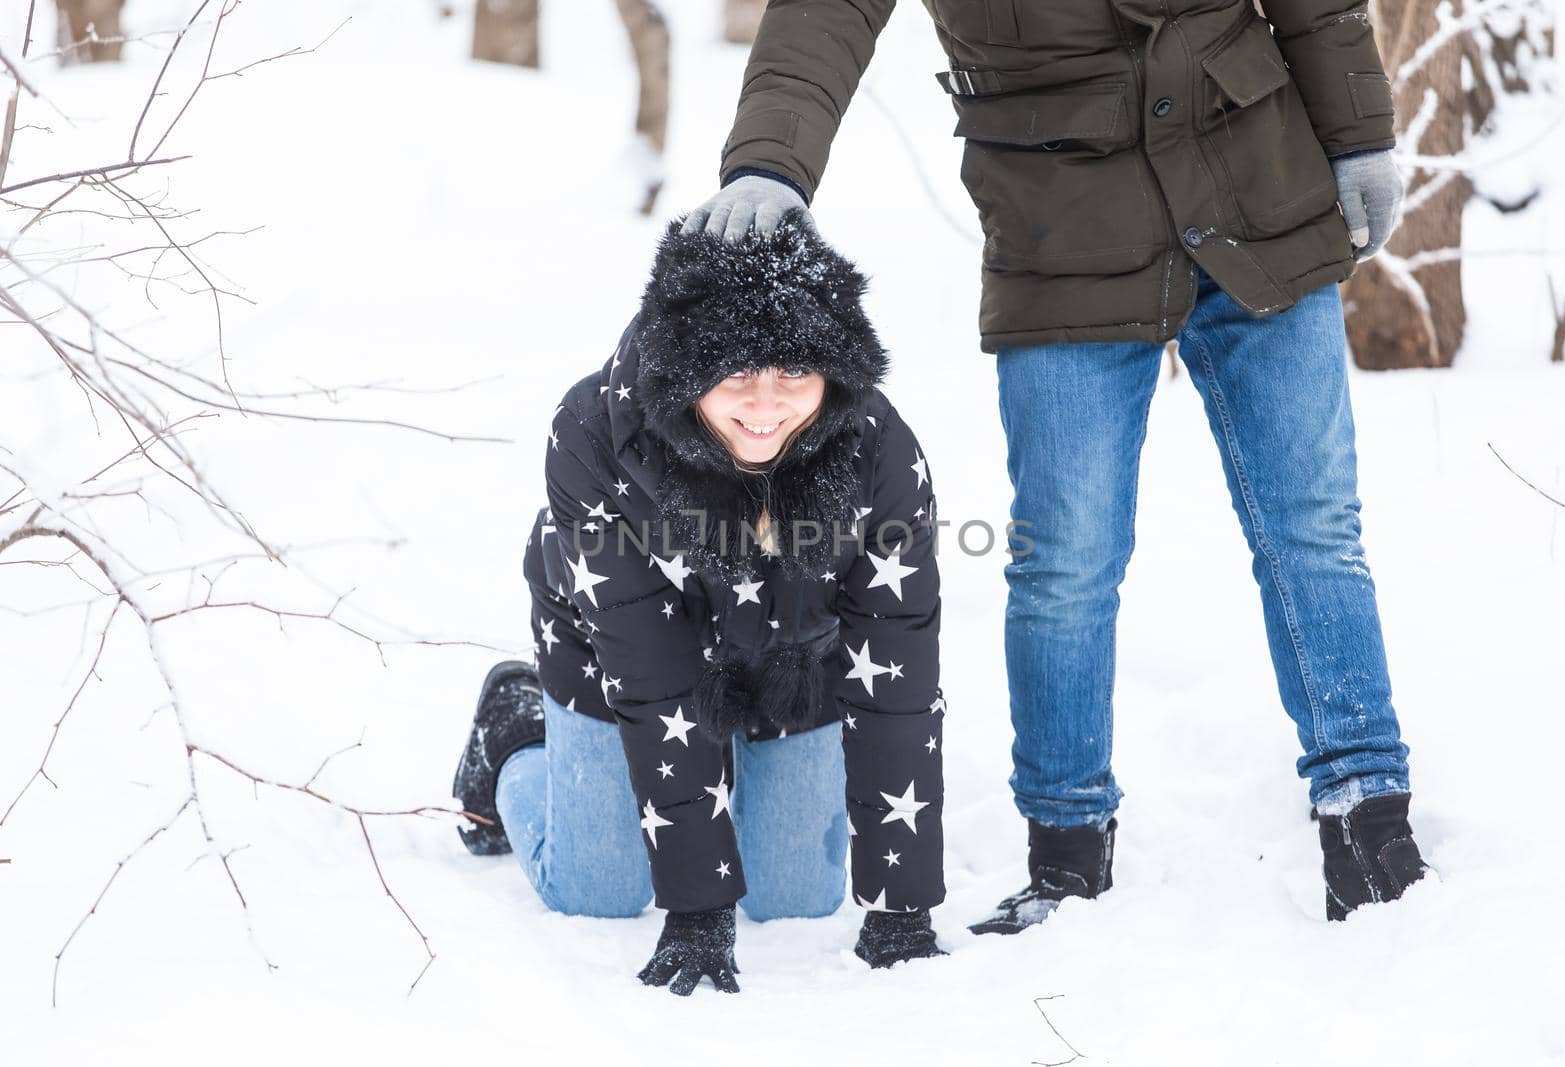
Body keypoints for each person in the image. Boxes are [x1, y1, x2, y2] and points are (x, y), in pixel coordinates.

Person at [685, 0, 1428, 928]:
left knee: (1313, 526)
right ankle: (1068, 847)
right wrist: (770, 159)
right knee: (1066, 560)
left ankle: (1368, 809)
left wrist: (1358, 134)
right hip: (1064, 227)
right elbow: (825, 13)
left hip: (1254, 182)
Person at [452, 214, 949, 995]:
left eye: (793, 372)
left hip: (792, 658)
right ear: (687, 371)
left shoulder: (880, 450)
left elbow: (899, 679)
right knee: (601, 893)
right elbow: (654, 681)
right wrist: (698, 907)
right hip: (618, 653)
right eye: (735, 374)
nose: (766, 405)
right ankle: (515, 728)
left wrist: (903, 907)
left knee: (794, 897)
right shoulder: (591, 433)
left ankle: (738, 770)